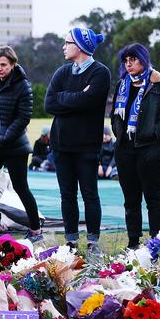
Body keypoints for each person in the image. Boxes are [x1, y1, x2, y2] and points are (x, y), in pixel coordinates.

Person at [44, 28, 111, 253]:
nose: (63, 46)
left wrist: (64, 98)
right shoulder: (62, 72)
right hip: (62, 145)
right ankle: (70, 241)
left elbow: (90, 101)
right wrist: (74, 98)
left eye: (67, 42)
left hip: (87, 146)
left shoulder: (100, 73)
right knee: (67, 195)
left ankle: (93, 241)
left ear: (81, 46)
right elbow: (49, 104)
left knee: (90, 194)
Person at [111, 43, 160, 249]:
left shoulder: (159, 84)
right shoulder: (123, 84)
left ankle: (157, 243)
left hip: (151, 150)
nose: (128, 64)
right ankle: (133, 242)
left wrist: (156, 132)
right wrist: (118, 134)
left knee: (153, 199)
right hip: (125, 149)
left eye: (133, 59)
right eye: (126, 60)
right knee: (131, 200)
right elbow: (115, 113)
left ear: (143, 59)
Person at [0, 45, 42, 242]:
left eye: (4, 65)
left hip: (16, 146)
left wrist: (4, 138)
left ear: (12, 65)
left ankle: (36, 230)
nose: (0, 68)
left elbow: (24, 116)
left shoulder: (22, 85)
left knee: (21, 187)